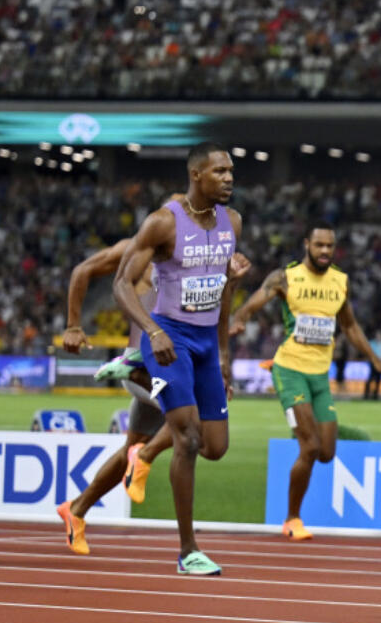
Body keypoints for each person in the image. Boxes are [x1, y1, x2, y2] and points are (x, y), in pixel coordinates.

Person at [55, 230, 250, 556]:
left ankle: (76, 509)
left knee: (132, 449)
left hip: (177, 363)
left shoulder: (203, 257)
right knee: (198, 416)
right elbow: (82, 270)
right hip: (144, 364)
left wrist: (230, 281)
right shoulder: (136, 248)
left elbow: (208, 311)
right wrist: (74, 324)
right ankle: (144, 458)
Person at [113, 142, 243, 575]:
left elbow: (222, 290)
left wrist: (224, 352)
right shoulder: (163, 223)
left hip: (207, 343)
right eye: (219, 171)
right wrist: (152, 330)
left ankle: (142, 455)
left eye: (230, 171)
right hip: (170, 339)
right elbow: (121, 284)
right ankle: (189, 551)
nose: (228, 178)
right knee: (186, 439)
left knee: (215, 447)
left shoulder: (233, 223)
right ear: (196, 176)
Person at [229, 221, 381, 541]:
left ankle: (305, 427)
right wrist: (240, 318)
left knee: (326, 452)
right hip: (289, 370)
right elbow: (255, 302)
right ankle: (292, 519)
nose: (325, 251)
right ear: (307, 245)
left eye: (330, 246)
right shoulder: (285, 277)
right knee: (310, 447)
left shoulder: (340, 283)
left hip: (320, 375)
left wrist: (374, 359)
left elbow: (351, 326)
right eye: (319, 246)